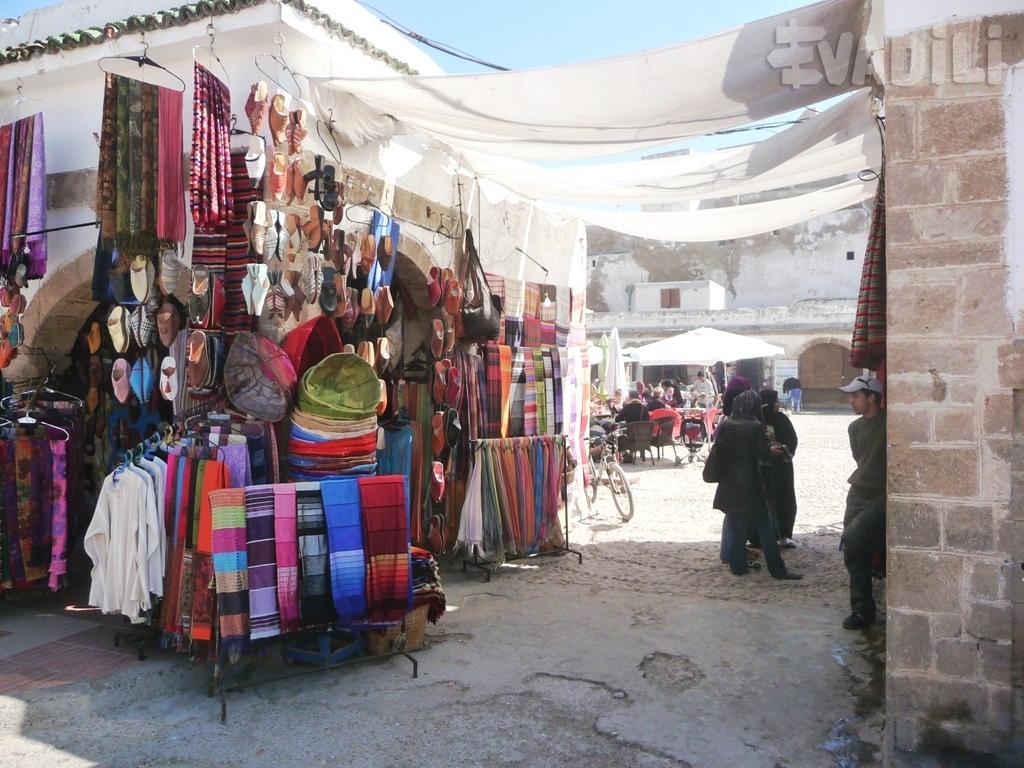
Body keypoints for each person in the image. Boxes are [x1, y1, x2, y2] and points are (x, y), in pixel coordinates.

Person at [710, 390, 802, 580]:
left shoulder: (727, 425)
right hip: (752, 485)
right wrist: (773, 451)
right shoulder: (754, 426)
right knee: (766, 529)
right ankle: (777, 569)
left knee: (736, 527)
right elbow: (763, 454)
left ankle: (738, 567)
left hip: (730, 485)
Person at [838, 375, 886, 630]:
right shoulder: (854, 428)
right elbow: (860, 458)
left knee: (855, 537)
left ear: (871, 397)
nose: (851, 401)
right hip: (857, 493)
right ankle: (862, 610)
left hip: (882, 494)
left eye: (856, 395)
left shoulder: (890, 423)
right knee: (854, 552)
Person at [760, 389, 799, 548]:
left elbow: (792, 439)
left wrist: (782, 448)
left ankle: (783, 535)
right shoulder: (758, 420)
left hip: (782, 469)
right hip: (764, 470)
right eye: (775, 401)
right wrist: (766, 449)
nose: (777, 404)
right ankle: (763, 537)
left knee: (784, 500)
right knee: (765, 502)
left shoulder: (782, 419)